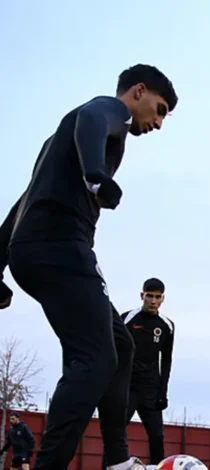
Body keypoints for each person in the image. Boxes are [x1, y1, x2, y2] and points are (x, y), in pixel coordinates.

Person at [0, 64, 178, 470]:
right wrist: (96, 176)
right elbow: (95, 116)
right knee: (95, 358)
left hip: (34, 250)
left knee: (119, 345)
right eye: (160, 110)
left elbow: (24, 202)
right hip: (61, 247)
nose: (159, 123)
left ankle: (116, 459)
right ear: (138, 91)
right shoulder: (110, 112)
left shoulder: (58, 144)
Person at [121, 278, 175, 466]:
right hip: (127, 387)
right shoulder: (127, 318)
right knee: (116, 434)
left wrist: (162, 392)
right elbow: (113, 351)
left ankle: (158, 468)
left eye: (157, 297)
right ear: (142, 295)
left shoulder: (167, 325)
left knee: (157, 436)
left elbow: (166, 360)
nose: (153, 301)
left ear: (162, 299)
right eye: (149, 296)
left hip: (151, 389)